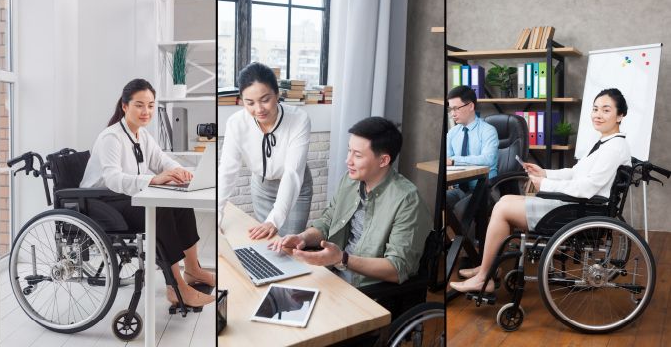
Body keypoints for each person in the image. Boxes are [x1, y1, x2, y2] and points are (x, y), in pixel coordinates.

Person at [450, 88, 632, 293]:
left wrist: (545, 185)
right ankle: (488, 269)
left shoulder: (614, 148)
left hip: (581, 209)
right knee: (505, 200)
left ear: (620, 115)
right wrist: (545, 173)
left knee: (502, 209)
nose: (598, 114)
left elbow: (588, 187)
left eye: (606, 110)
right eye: (595, 109)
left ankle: (484, 277)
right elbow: (575, 173)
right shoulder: (606, 143)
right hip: (578, 205)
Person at [80, 78, 214, 307]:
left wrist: (178, 171)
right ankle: (176, 287)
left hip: (125, 197)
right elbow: (113, 180)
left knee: (180, 204)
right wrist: (154, 179)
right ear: (125, 106)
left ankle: (193, 270)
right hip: (102, 203)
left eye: (150, 105)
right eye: (139, 105)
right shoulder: (111, 137)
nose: (146, 111)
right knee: (158, 210)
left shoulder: (142, 135)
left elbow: (161, 160)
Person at [270, 117, 432, 288]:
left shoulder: (407, 200)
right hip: (332, 272)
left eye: (358, 155)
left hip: (368, 289)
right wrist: (302, 237)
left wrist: (342, 259)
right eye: (349, 151)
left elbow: (398, 268)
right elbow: (326, 223)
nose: (348, 160)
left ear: (383, 160)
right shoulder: (350, 180)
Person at [218, 62, 312, 239]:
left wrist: (274, 220)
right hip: (261, 188)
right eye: (250, 102)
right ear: (241, 101)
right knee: (266, 244)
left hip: (295, 187)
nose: (259, 109)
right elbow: (227, 171)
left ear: (277, 94)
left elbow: (292, 173)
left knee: (288, 245)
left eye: (265, 99)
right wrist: (217, 213)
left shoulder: (299, 119)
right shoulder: (236, 123)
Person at [445, 85, 498, 207]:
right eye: (450, 109)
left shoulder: (488, 131)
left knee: (460, 209)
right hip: (459, 189)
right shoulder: (453, 132)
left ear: (471, 106)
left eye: (456, 108)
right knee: (438, 201)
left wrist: (454, 161)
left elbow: (487, 159)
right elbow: (446, 159)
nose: (452, 114)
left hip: (484, 189)